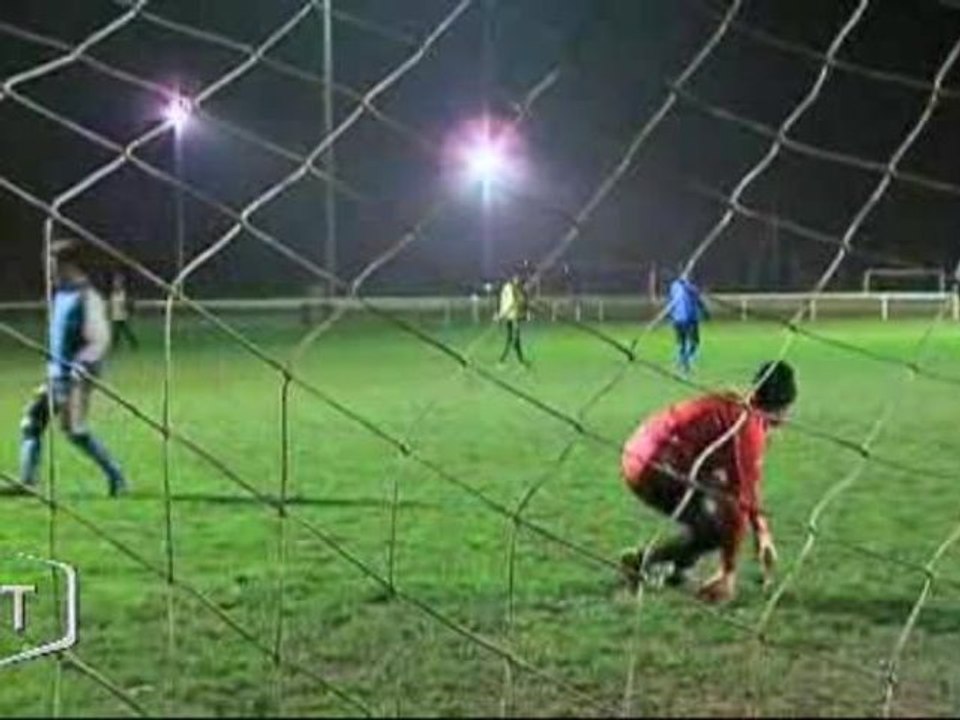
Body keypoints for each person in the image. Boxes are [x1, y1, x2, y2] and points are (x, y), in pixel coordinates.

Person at [619, 361, 798, 603]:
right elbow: (740, 501)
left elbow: (745, 490)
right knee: (716, 529)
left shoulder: (735, 407)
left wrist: (762, 532)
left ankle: (668, 567)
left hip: (637, 453)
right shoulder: (747, 428)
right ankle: (646, 562)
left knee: (715, 494)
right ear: (784, 408)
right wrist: (729, 571)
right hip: (654, 467)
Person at [18, 240, 127, 497]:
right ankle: (27, 482)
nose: (50, 271)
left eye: (53, 265)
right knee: (31, 422)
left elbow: (100, 340)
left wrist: (81, 367)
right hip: (56, 374)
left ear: (69, 265)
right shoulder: (61, 294)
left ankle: (116, 476)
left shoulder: (87, 297)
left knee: (74, 431)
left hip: (77, 377)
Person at [666, 273, 709, 374]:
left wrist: (670, 315)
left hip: (678, 319)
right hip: (688, 319)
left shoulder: (674, 286)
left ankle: (681, 362)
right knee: (693, 342)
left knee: (682, 342)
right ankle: (686, 363)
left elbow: (671, 302)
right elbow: (698, 299)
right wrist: (705, 311)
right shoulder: (688, 288)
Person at [496, 271, 529, 366]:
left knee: (515, 339)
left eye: (518, 278)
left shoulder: (517, 289)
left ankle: (519, 360)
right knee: (513, 339)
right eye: (516, 278)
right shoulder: (508, 288)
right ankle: (503, 360)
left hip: (515, 316)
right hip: (511, 317)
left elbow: (522, 301)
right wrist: (502, 314)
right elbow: (505, 302)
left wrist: (524, 312)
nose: (517, 280)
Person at [109, 272, 138, 350]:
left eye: (117, 282)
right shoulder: (113, 293)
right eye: (114, 282)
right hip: (115, 316)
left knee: (124, 332)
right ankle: (115, 346)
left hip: (122, 316)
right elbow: (112, 304)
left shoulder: (124, 293)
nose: (115, 284)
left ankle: (134, 344)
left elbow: (128, 304)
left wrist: (128, 311)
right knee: (116, 333)